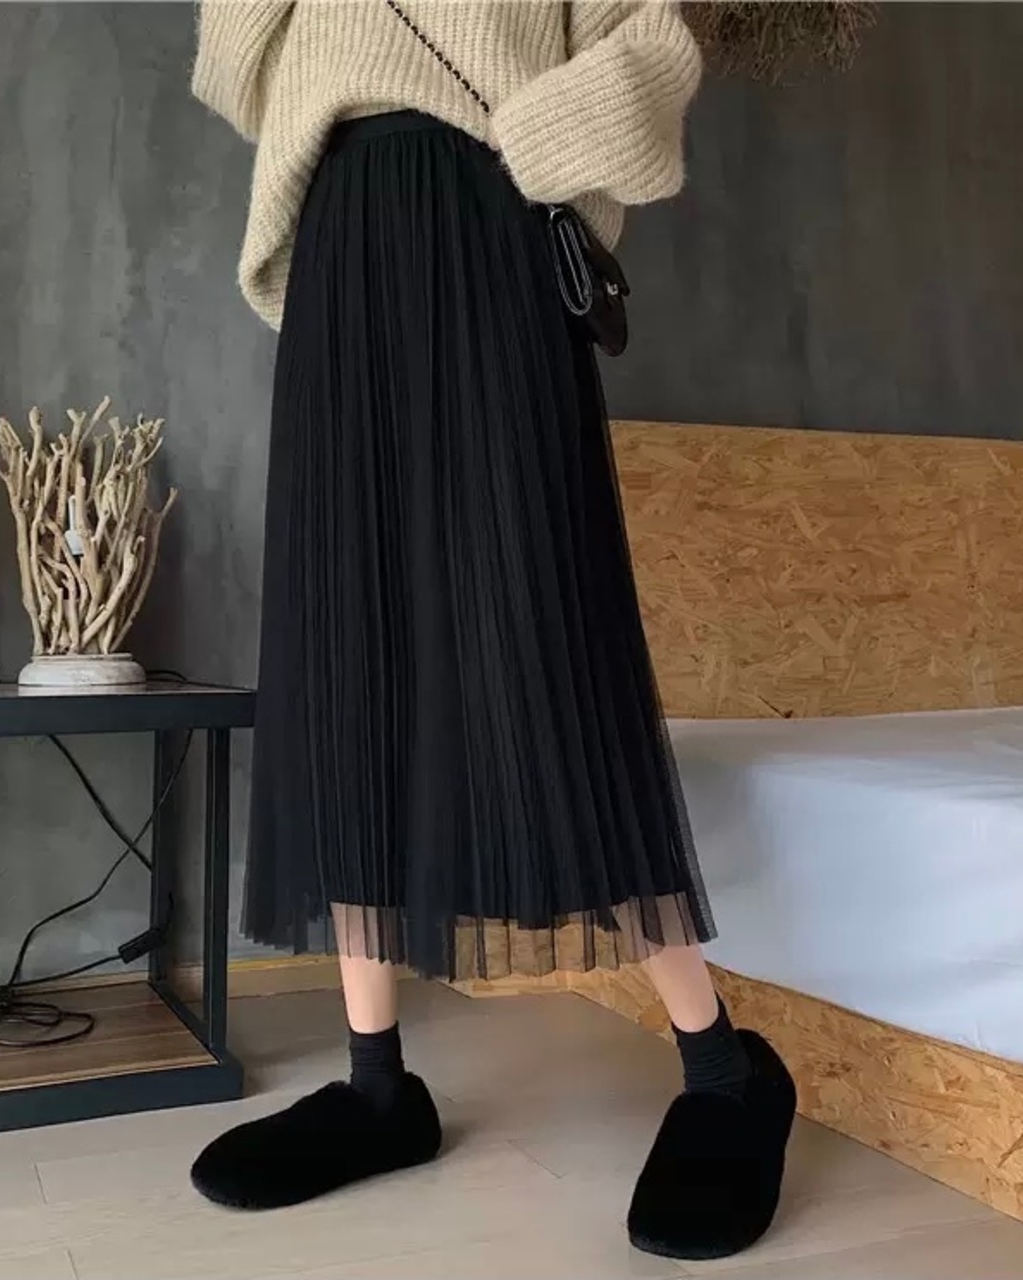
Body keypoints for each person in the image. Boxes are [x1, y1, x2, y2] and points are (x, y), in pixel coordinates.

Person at [188, 0, 795, 1260]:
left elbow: (652, 44)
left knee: (546, 645)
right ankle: (375, 1082)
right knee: (344, 651)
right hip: (341, 238)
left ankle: (723, 1067)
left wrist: (532, 137)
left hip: (487, 228)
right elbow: (231, 63)